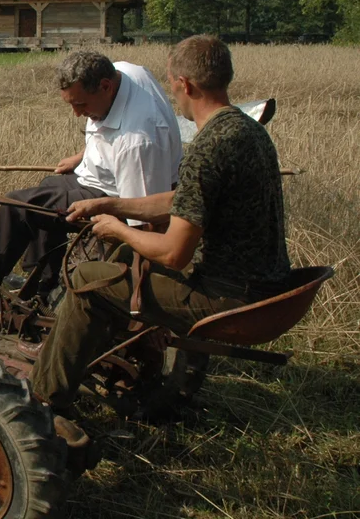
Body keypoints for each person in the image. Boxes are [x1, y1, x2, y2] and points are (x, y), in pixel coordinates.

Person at [30, 34, 290, 412]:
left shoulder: (207, 148)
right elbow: (183, 200)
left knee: (88, 278)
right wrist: (114, 204)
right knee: (121, 256)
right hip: (265, 285)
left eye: (172, 84)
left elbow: (173, 255)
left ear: (184, 84)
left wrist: (118, 228)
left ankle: (44, 399)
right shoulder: (247, 131)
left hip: (228, 297)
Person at [0, 50, 182, 308]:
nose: (77, 114)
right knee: (46, 189)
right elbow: (108, 132)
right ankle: (42, 282)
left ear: (106, 86)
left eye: (81, 105)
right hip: (102, 174)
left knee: (20, 206)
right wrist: (82, 155)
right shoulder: (127, 72)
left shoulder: (138, 145)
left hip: (112, 196)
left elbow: (143, 213)